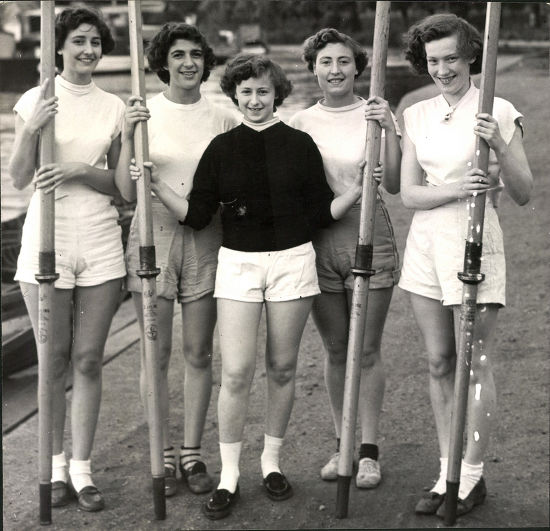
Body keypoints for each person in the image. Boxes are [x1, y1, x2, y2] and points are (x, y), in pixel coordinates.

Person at [130, 54, 376, 520]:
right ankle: (228, 475)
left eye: (263, 91)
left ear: (277, 94)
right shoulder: (221, 148)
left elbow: (320, 211)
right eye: (246, 92)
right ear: (234, 96)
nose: (255, 100)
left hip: (292, 263)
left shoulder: (301, 144)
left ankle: (270, 464)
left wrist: (356, 191)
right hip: (238, 266)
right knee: (237, 373)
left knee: (282, 368)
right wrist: (157, 184)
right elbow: (199, 213)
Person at [399, 14, 533, 518]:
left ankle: (470, 476)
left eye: (451, 58)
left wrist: (498, 144)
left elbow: (522, 193)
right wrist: (459, 188)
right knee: (438, 361)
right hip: (427, 243)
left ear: (471, 54)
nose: (442, 69)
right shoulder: (416, 112)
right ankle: (446, 471)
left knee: (472, 360)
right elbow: (410, 193)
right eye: (433, 61)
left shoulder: (497, 107)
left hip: (476, 236)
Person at [8, 7, 126, 512]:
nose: (88, 51)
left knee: (88, 358)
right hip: (46, 237)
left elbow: (125, 191)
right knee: (51, 360)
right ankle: (52, 466)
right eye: (79, 41)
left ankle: (82, 469)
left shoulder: (115, 106)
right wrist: (33, 128)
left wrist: (79, 168)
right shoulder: (36, 98)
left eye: (95, 42)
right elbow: (17, 179)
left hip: (99, 237)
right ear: (59, 46)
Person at [115, 23, 239, 497]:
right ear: (162, 62)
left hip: (207, 237)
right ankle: (161, 453)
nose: (188, 62)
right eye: (178, 54)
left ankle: (191, 453)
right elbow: (126, 191)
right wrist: (128, 136)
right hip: (153, 236)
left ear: (206, 62)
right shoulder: (143, 114)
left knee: (198, 352)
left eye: (196, 54)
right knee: (156, 352)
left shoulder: (223, 117)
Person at [289, 28, 402, 489]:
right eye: (325, 62)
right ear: (312, 69)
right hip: (318, 240)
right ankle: (344, 445)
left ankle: (370, 451)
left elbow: (393, 184)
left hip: (369, 233)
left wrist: (390, 129)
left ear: (358, 66)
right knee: (336, 349)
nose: (334, 70)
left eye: (342, 61)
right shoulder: (298, 123)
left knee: (366, 348)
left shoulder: (376, 114)